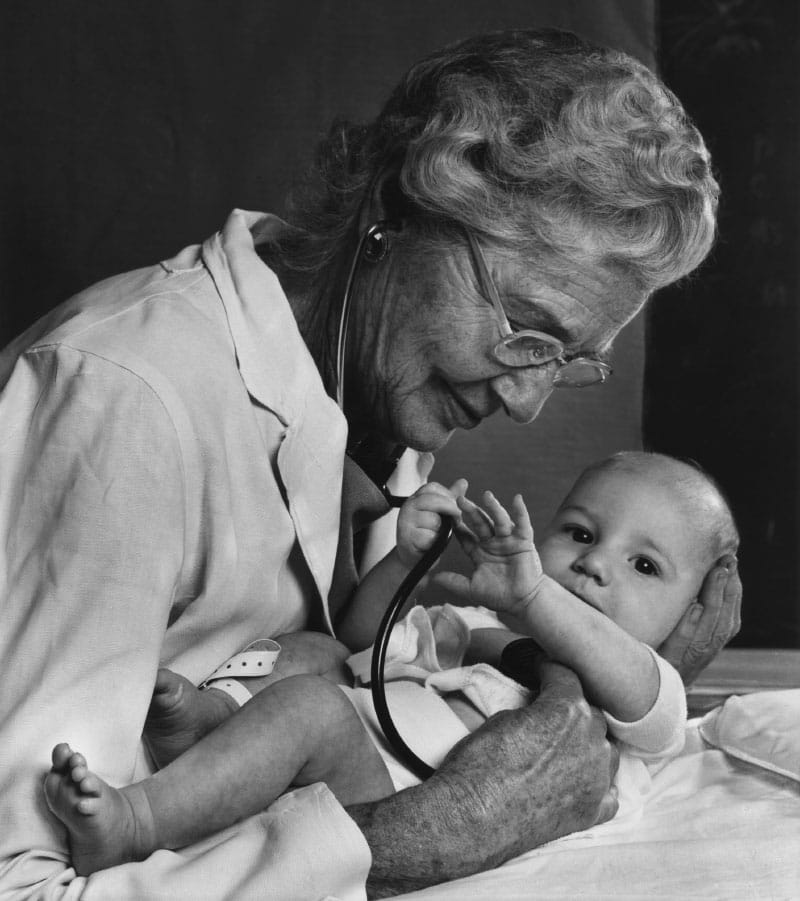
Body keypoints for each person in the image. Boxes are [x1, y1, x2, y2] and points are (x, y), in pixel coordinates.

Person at [0, 28, 740, 900]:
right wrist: (443, 830)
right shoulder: (123, 399)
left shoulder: (384, 384)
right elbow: (23, 883)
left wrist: (622, 668)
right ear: (397, 209)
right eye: (527, 331)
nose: (526, 401)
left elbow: (363, 663)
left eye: (569, 361)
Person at [43, 451, 738, 875]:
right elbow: (362, 644)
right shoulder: (476, 628)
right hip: (354, 735)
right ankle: (215, 719)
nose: (594, 564)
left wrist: (534, 596)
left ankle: (136, 823)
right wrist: (406, 561)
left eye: (645, 565)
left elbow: (656, 703)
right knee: (312, 649)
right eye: (580, 533)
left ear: (687, 619)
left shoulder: (636, 702)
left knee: (309, 709)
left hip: (394, 797)